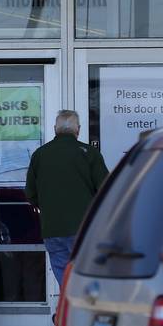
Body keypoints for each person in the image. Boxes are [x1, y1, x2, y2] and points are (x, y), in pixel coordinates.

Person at [25, 110, 109, 286]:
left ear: (55, 129)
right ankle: (82, 311)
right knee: (86, 278)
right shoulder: (89, 153)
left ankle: (68, 309)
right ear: (78, 129)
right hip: (84, 228)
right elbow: (106, 191)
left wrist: (46, 208)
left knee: (65, 279)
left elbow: (30, 193)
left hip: (52, 229)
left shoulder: (40, 154)